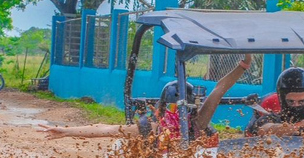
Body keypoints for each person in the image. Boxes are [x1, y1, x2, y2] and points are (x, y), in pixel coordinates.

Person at [39, 54, 253, 149]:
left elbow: (219, 89)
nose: (179, 115)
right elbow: (108, 129)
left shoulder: (190, 126)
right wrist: (66, 131)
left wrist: (243, 65)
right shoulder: (161, 128)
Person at [245, 67, 304, 137]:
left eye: (302, 101)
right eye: (291, 101)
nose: (296, 106)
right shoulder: (270, 118)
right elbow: (264, 129)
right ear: (282, 100)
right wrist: (297, 126)